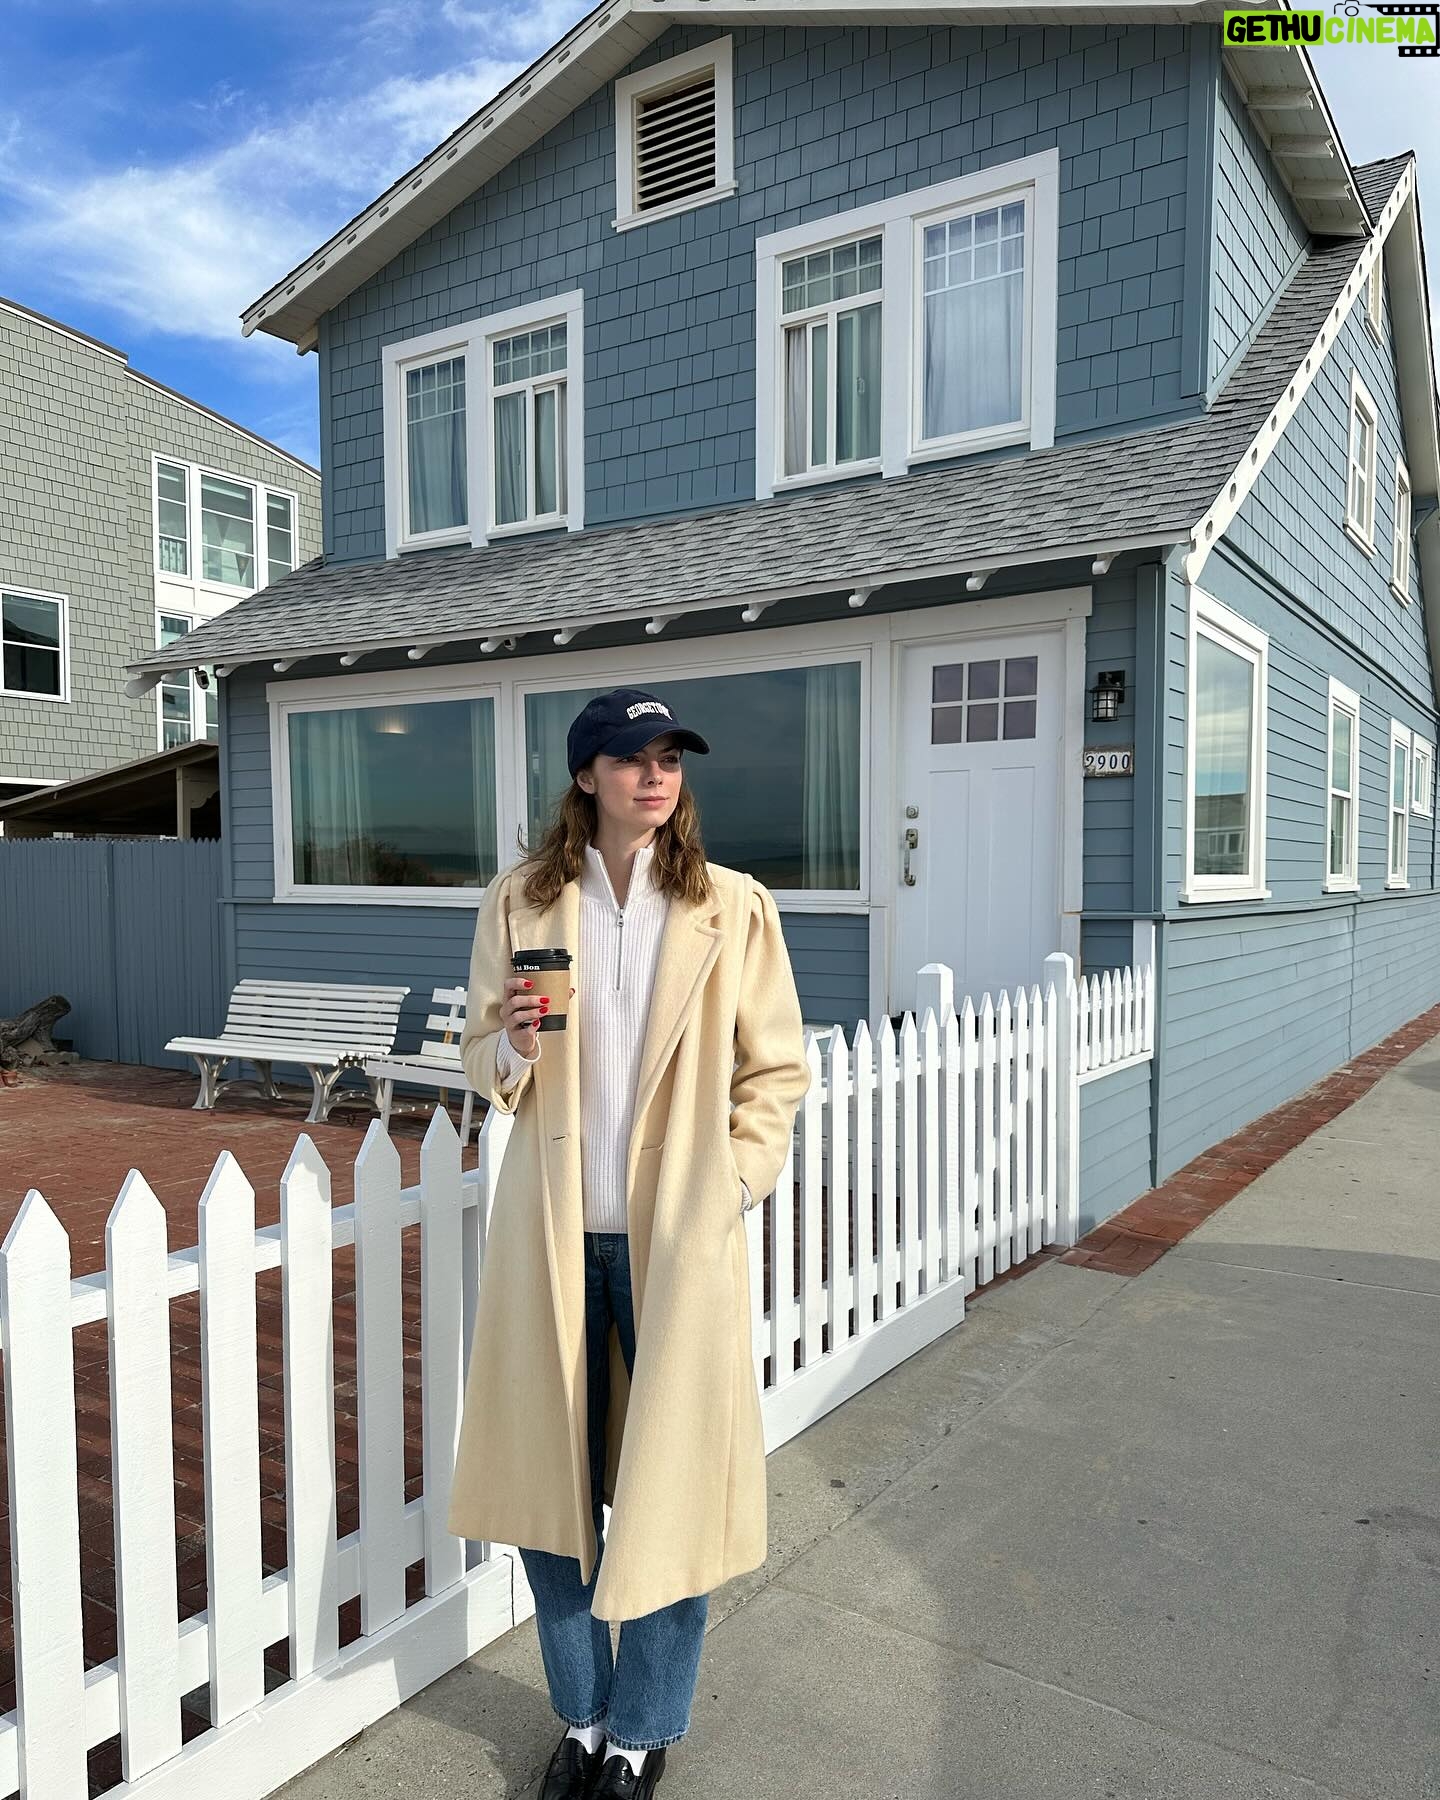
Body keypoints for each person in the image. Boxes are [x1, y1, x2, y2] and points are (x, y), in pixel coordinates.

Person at [448, 687, 811, 1798]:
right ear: (586, 775)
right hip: (555, 1244)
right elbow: (481, 1057)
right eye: (631, 757)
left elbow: (776, 1071)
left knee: (671, 1495)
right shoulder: (523, 899)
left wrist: (729, 1186)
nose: (655, 776)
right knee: (547, 1501)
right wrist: (512, 1049)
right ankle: (584, 1715)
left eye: (670, 759)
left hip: (674, 1249)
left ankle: (642, 1735)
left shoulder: (731, 906)